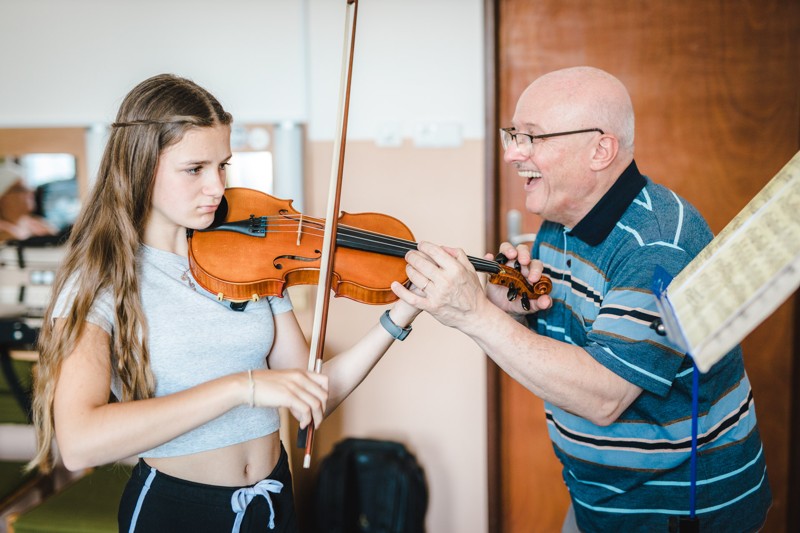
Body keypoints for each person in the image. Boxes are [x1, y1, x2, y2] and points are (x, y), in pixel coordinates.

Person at [29, 73, 420, 532]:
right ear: (140, 166)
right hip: (177, 512)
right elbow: (78, 442)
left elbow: (314, 393)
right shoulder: (102, 278)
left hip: (273, 501)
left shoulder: (249, 260)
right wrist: (241, 387)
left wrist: (400, 314)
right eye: (195, 169)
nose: (216, 188)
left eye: (223, 166)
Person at [392, 66, 771, 532]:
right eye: (513, 134)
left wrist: (474, 315)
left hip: (678, 512)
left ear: (600, 149)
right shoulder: (561, 219)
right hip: (599, 499)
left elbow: (605, 397)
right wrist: (510, 307)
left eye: (532, 137)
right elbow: (576, 341)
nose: (513, 154)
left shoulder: (658, 248)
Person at [0, 164, 59, 241]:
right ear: (3, 196)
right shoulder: (3, 234)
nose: (31, 191)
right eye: (21, 189)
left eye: (30, 187)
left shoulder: (38, 225)